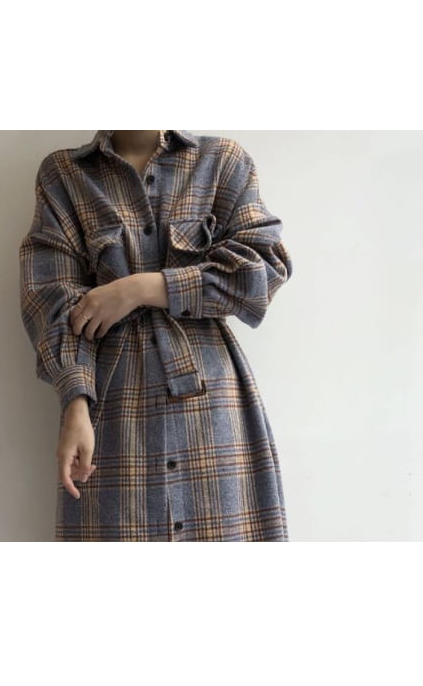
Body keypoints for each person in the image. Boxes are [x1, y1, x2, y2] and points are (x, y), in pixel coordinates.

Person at [19, 130, 294, 541]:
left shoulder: (221, 161)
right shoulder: (66, 174)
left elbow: (261, 271)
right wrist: (74, 402)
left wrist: (142, 288)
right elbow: (49, 298)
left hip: (212, 408)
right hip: (113, 410)